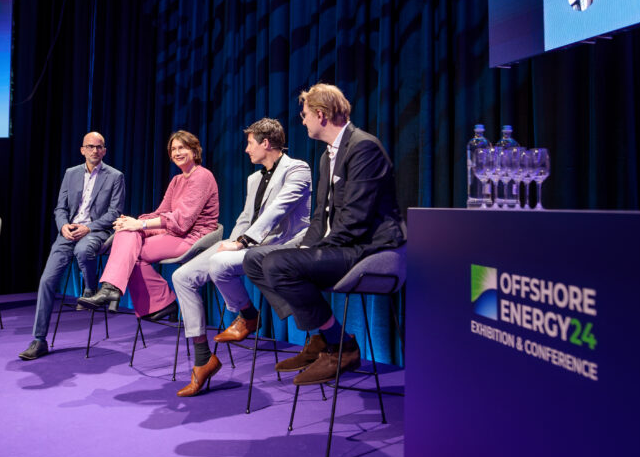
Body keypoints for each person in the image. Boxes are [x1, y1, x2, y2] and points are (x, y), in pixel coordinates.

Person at [243, 84, 405, 386]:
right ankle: (321, 335)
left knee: (279, 264)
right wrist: (307, 247)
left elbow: (356, 220)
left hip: (368, 248)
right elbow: (320, 216)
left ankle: (341, 344)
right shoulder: (326, 156)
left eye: (305, 114)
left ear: (321, 114)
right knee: (255, 260)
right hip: (339, 244)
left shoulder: (363, 147)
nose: (302, 121)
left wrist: (311, 254)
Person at [171, 118, 311, 397]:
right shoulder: (253, 178)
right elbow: (246, 218)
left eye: (249, 143)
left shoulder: (297, 169)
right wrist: (233, 241)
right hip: (248, 244)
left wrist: (243, 242)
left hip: (284, 246)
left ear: (265, 143)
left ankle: (247, 315)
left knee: (219, 263)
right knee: (182, 276)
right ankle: (203, 359)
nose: (246, 150)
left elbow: (278, 210)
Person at [78, 130, 219, 324]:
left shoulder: (202, 176)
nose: (177, 152)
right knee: (127, 233)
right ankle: (112, 289)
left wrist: (141, 224)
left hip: (193, 237)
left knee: (131, 253)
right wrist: (131, 222)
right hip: (174, 232)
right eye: (173, 149)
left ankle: (157, 299)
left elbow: (183, 220)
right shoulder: (177, 180)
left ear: (194, 152)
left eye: (182, 148)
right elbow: (162, 212)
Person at [18, 132, 126, 361]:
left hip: (96, 231)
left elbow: (115, 212)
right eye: (90, 146)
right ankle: (39, 340)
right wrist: (63, 226)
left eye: (99, 147)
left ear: (104, 151)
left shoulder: (115, 176)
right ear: (82, 150)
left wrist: (89, 227)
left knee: (83, 250)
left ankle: (90, 290)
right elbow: (60, 208)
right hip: (68, 232)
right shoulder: (71, 173)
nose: (95, 150)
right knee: (46, 281)